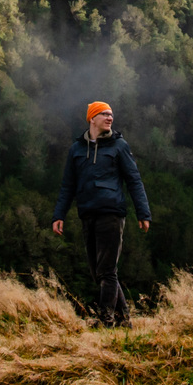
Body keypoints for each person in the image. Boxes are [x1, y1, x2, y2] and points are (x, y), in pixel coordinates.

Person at [50, 100, 151, 326]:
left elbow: (134, 180)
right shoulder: (76, 150)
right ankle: (124, 320)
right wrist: (59, 215)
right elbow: (68, 186)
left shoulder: (120, 146)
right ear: (92, 118)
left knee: (107, 270)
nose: (110, 118)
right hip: (87, 213)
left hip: (112, 212)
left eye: (111, 114)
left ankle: (106, 321)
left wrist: (143, 213)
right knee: (99, 272)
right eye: (104, 114)